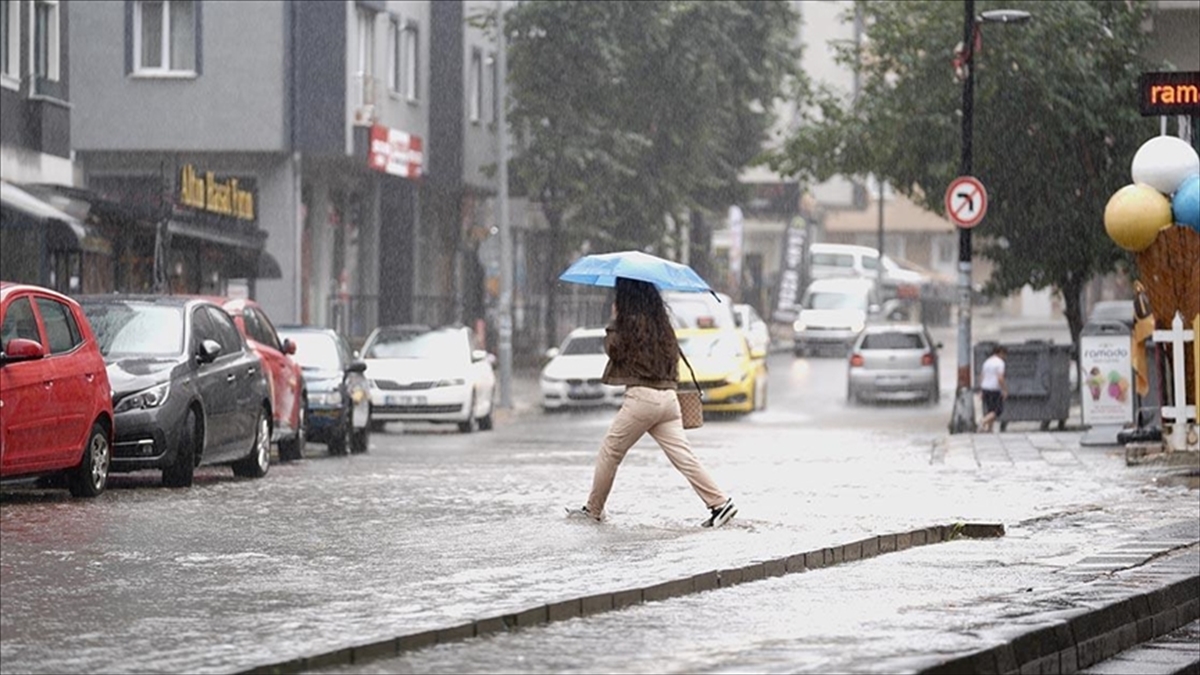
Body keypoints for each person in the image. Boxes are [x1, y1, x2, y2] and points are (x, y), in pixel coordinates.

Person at [567, 277, 737, 528]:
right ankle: (720, 503)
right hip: (668, 400)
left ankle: (593, 510)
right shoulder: (662, 324)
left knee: (610, 451)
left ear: (626, 296)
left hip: (642, 398)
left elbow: (613, 350)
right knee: (684, 457)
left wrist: (615, 320)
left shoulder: (628, 324)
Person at [978, 345, 1008, 433]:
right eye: (1005, 355)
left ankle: (989, 429)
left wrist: (981, 389)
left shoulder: (987, 362)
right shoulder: (1000, 363)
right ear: (1001, 353)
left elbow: (982, 376)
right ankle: (983, 421)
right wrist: (1004, 389)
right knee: (998, 410)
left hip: (985, 388)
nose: (1005, 357)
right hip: (994, 389)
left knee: (990, 409)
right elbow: (1000, 378)